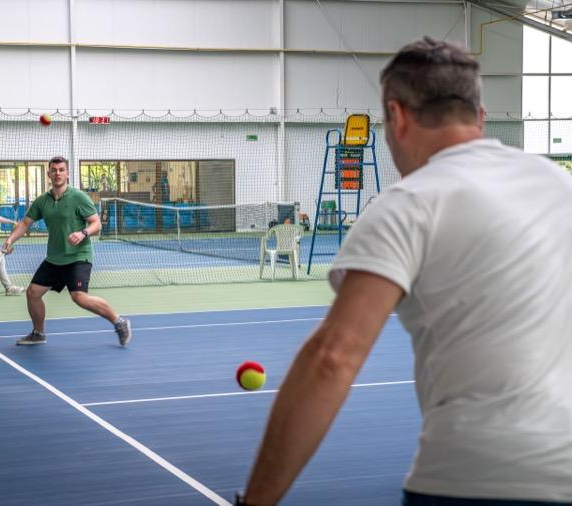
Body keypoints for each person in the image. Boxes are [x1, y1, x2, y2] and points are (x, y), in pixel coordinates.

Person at [238, 37, 572, 505]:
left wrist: (257, 500)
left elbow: (333, 358)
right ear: (479, 115)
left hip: (472, 480)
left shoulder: (407, 204)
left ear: (396, 116)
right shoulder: (560, 185)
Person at [2, 156, 131, 347]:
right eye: (54, 170)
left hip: (78, 257)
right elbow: (25, 223)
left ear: (68, 174)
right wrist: (10, 239)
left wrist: (82, 233)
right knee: (33, 293)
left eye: (61, 170)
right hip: (54, 258)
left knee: (79, 297)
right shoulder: (42, 201)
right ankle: (38, 333)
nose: (58, 173)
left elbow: (96, 224)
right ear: (48, 174)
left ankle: (119, 322)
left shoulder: (79, 197)